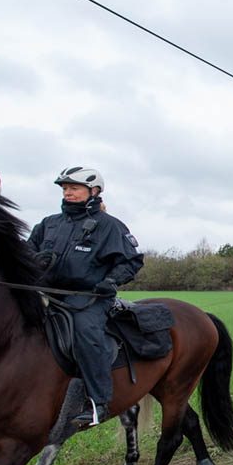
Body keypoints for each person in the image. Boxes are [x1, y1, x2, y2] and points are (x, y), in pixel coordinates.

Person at [28, 166, 144, 427]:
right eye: (65, 188)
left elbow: (132, 261)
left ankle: (98, 402)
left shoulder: (109, 226)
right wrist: (36, 260)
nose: (67, 192)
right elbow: (26, 254)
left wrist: (110, 281)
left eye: (74, 188)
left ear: (93, 191)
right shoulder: (49, 224)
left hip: (87, 297)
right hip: (45, 292)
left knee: (84, 331)